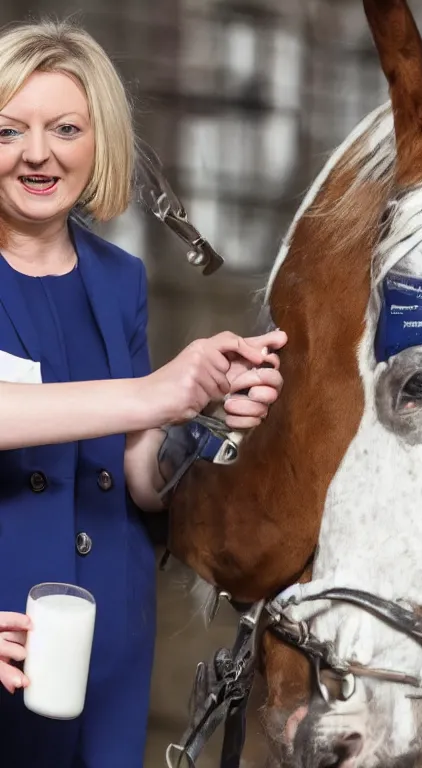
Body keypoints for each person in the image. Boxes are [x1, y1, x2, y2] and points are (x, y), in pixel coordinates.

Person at [0, 18, 287, 767]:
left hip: (105, 637)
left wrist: (207, 412)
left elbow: (136, 469)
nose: (37, 153)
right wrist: (155, 393)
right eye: (8, 130)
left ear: (99, 142)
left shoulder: (117, 278)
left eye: (65, 127)